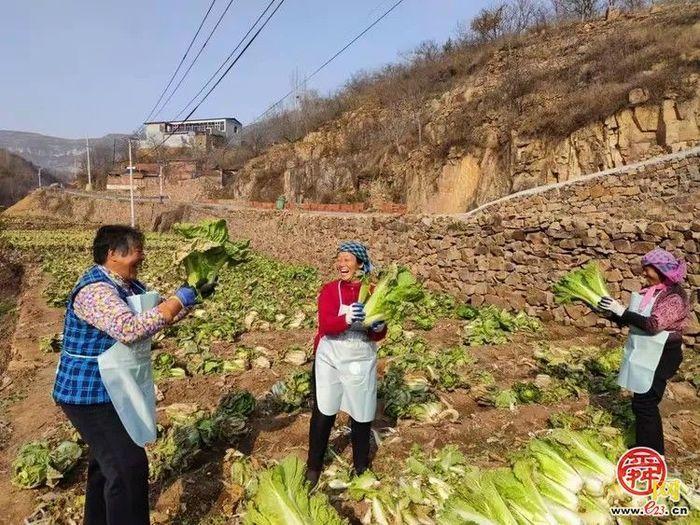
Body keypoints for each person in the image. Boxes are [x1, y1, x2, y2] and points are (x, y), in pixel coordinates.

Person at [52, 225, 209, 525]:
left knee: (106, 463)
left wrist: (190, 298)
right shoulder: (95, 291)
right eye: (137, 250)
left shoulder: (127, 285)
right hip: (88, 393)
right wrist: (178, 300)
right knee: (128, 467)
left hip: (114, 387)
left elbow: (156, 315)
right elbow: (129, 329)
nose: (142, 256)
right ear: (112, 253)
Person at [306, 241, 388, 487]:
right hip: (330, 359)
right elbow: (326, 324)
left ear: (360, 264)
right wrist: (346, 317)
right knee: (323, 413)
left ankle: (360, 465)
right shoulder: (330, 290)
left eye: (347, 260)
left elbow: (379, 334)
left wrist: (379, 327)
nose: (342, 264)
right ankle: (313, 468)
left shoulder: (373, 291)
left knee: (362, 415)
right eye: (339, 259)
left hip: (360, 360)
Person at [597, 248, 689, 456]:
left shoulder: (674, 297)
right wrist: (611, 312)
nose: (644, 273)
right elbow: (633, 319)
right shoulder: (651, 292)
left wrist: (622, 311)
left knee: (646, 402)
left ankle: (653, 455)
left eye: (647, 269)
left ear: (660, 270)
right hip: (647, 351)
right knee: (641, 400)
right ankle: (643, 448)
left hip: (664, 353)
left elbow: (652, 324)